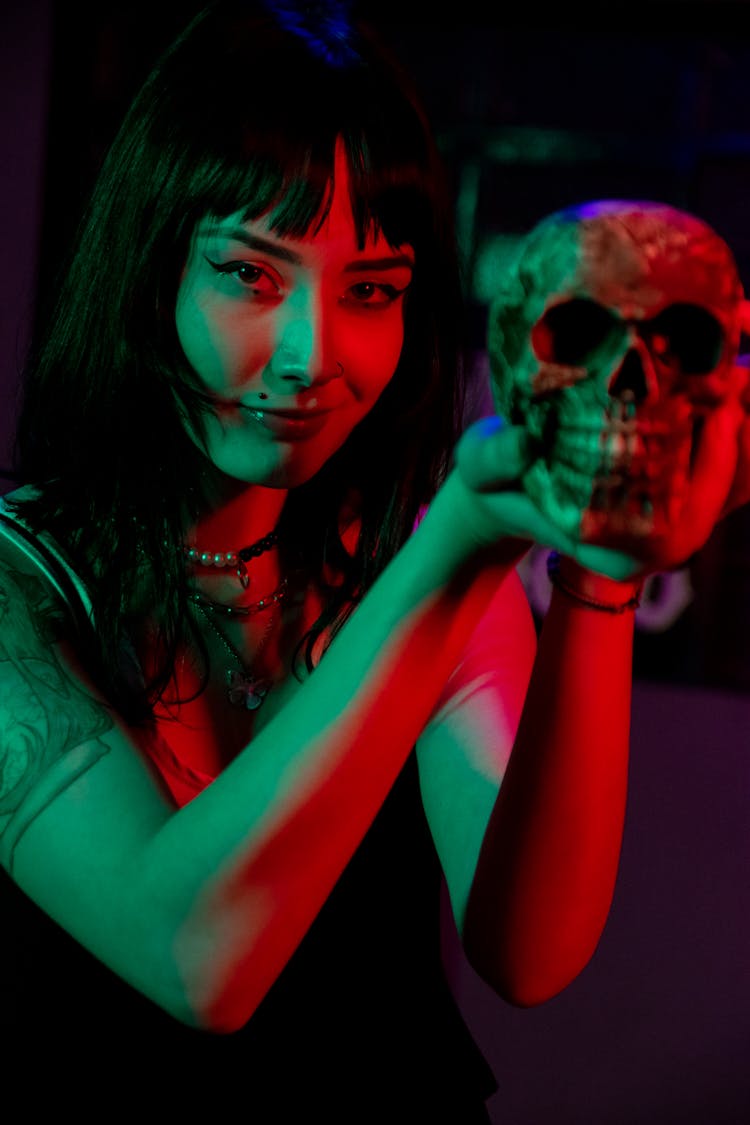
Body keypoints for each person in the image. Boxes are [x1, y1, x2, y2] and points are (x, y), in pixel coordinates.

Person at [1, 1, 747, 1119]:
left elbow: (529, 952)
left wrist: (599, 575)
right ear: (148, 266)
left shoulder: (408, 561)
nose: (312, 354)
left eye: (370, 292)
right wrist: (454, 541)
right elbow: (193, 961)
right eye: (251, 277)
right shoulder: (19, 584)